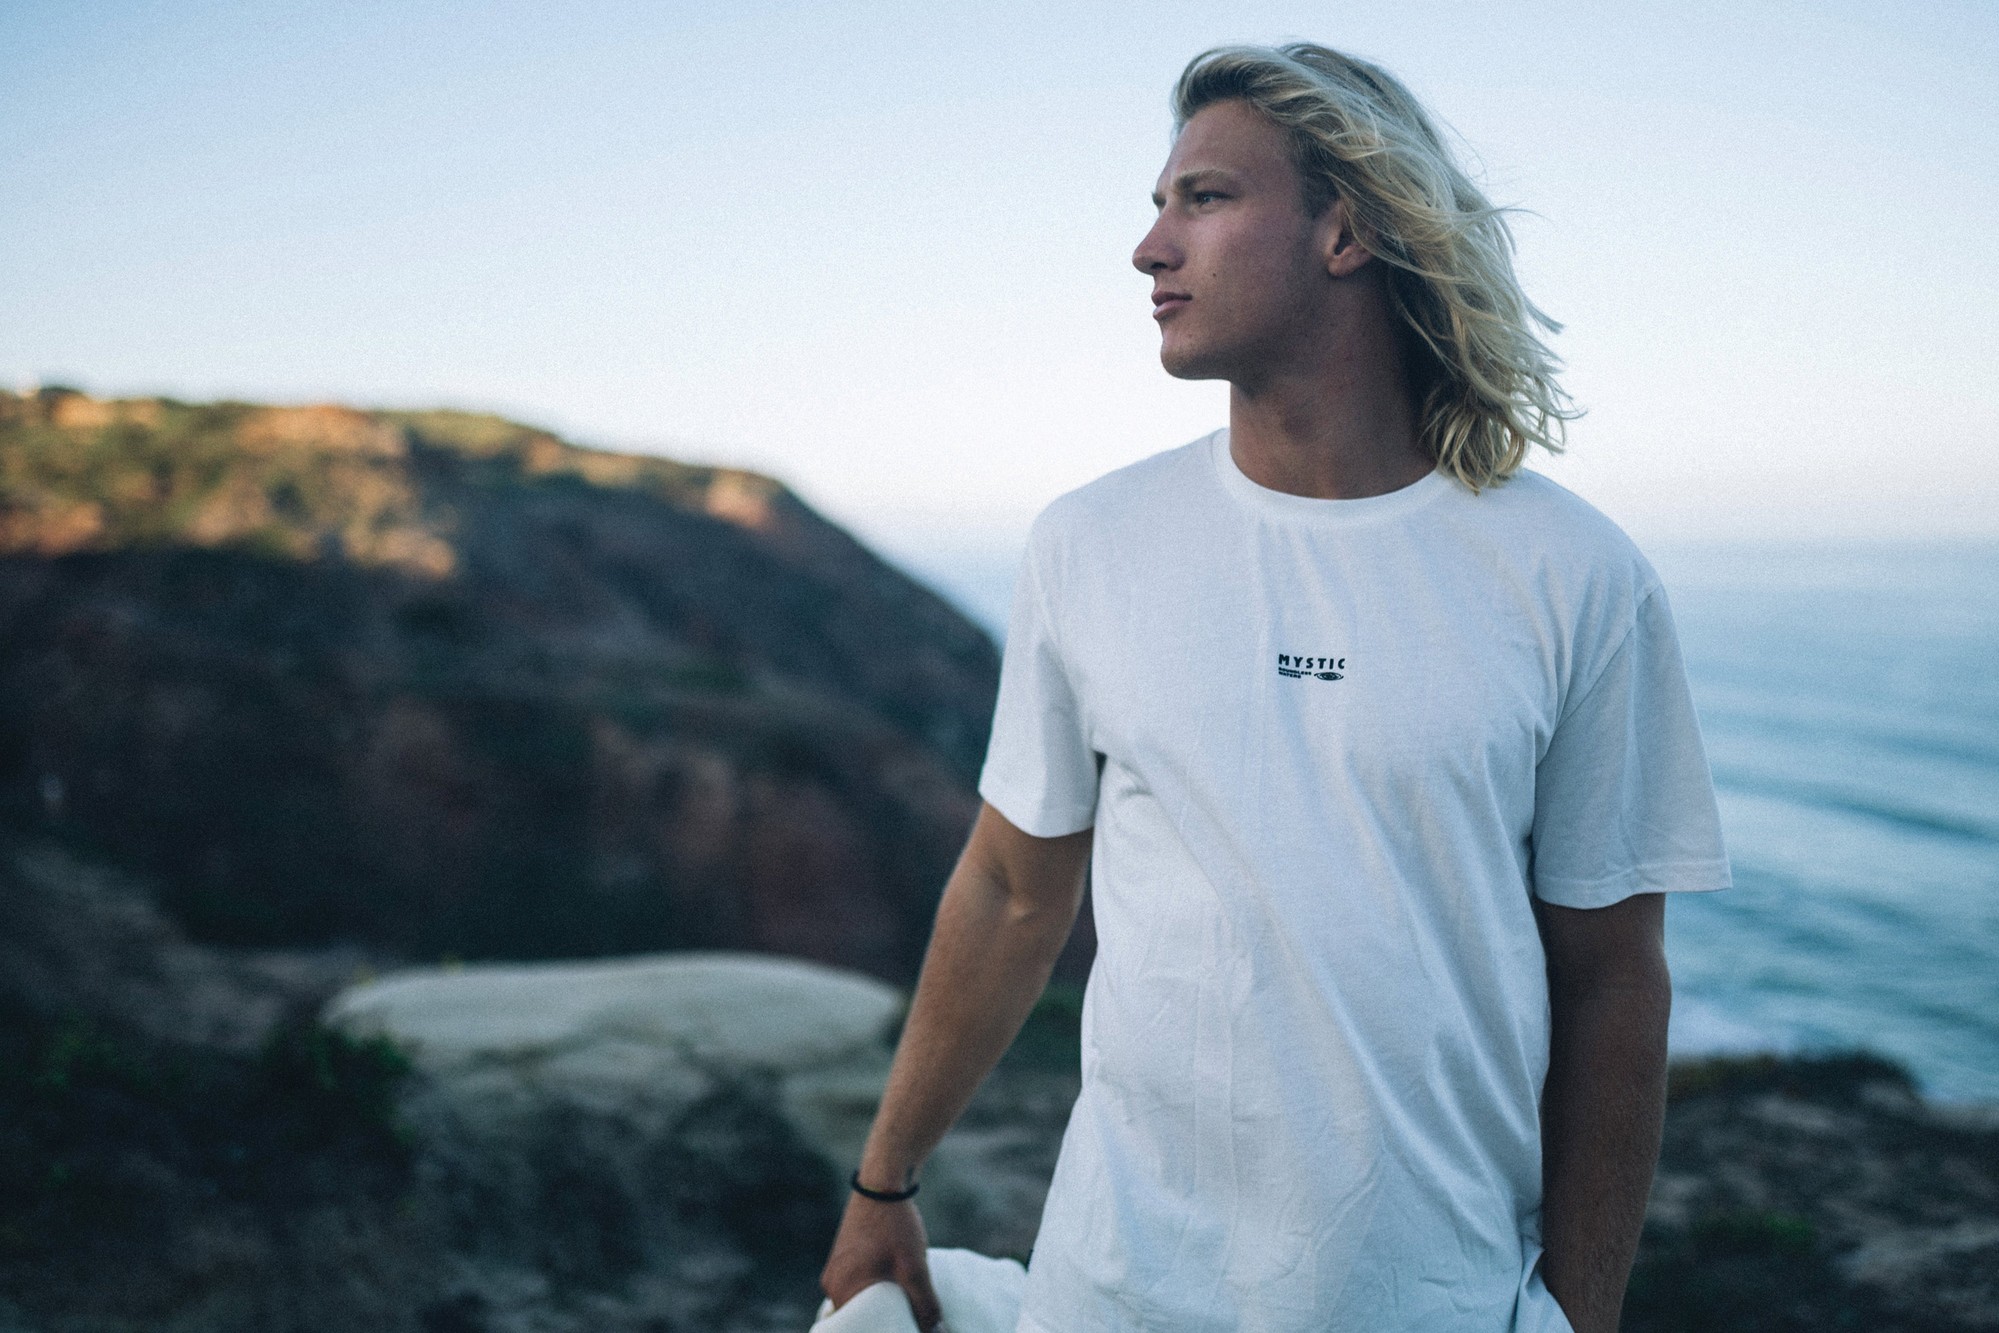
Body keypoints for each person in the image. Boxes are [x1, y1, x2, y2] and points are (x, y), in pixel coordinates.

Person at [819, 41, 1728, 1333]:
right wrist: (883, 1182)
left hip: (1429, 1304)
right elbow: (1014, 888)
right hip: (1109, 1295)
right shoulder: (1091, 543)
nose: (1149, 248)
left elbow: (1614, 980)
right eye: (1159, 204)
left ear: (1346, 230)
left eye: (1203, 198)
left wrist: (1582, 1317)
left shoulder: (1575, 574)